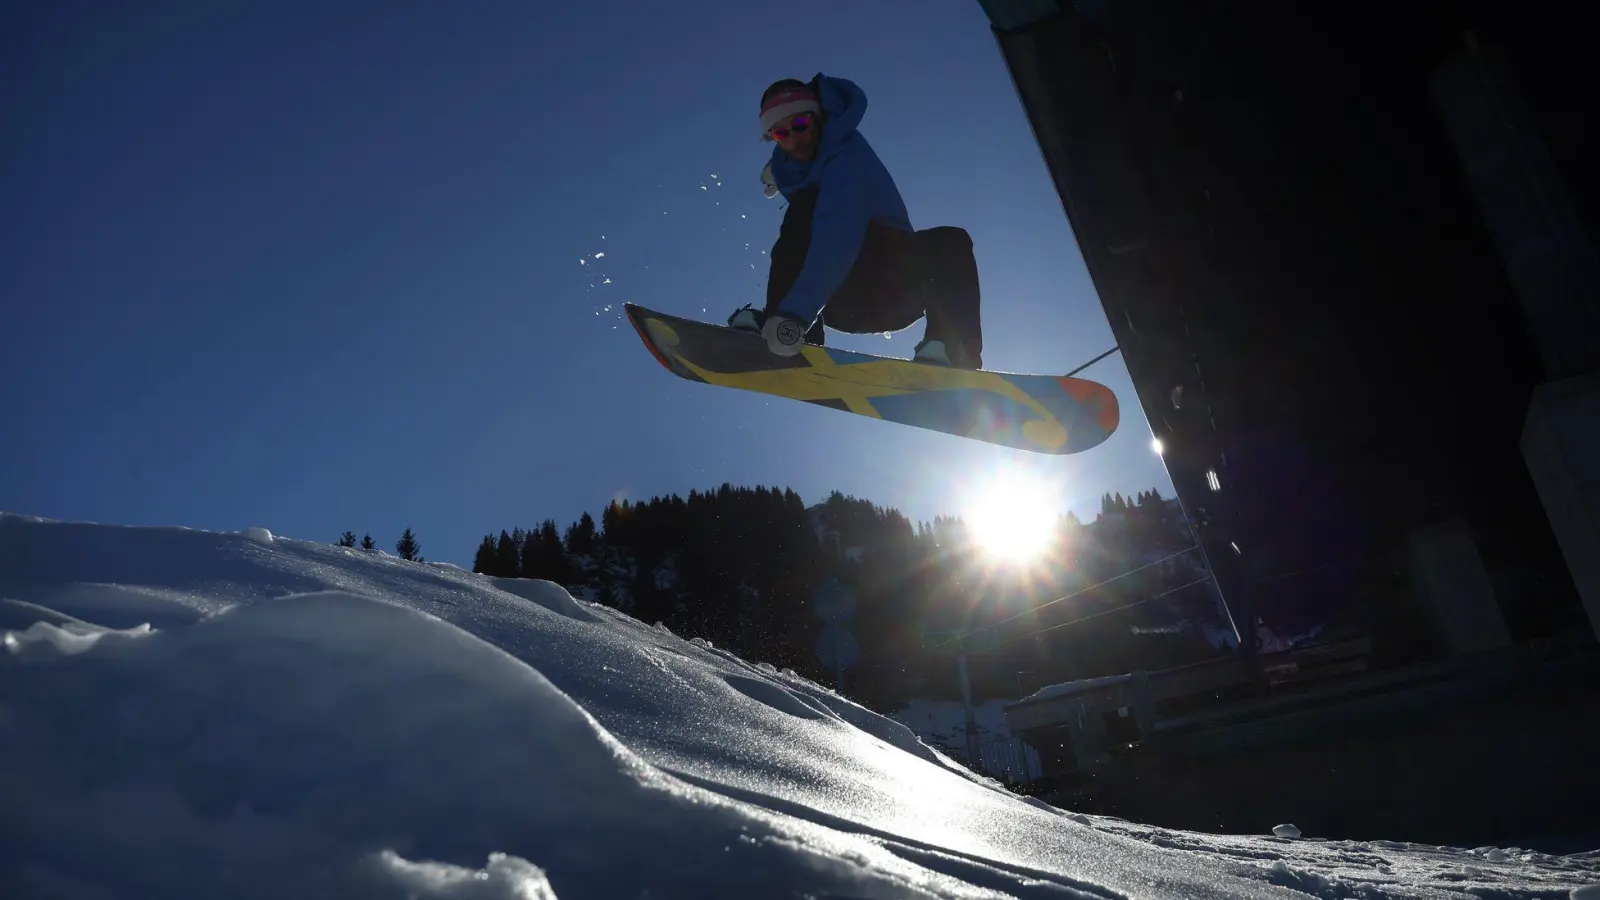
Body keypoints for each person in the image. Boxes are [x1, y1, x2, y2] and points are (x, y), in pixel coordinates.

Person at [727, 74, 985, 369]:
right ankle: (788, 333)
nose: (795, 139)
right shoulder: (789, 165)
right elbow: (791, 168)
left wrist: (796, 312)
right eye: (781, 134)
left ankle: (952, 349)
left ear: (820, 117)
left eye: (801, 125)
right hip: (838, 302)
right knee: (800, 219)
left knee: (949, 241)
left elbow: (837, 236)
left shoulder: (846, 158)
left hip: (895, 292)